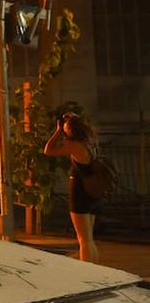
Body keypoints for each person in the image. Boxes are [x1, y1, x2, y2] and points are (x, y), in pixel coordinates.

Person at [44, 112, 100, 262]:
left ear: (71, 130)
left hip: (80, 191)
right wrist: (73, 119)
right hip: (92, 191)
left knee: (83, 239)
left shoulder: (73, 145)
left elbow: (48, 150)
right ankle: (95, 269)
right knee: (89, 237)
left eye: (66, 128)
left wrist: (57, 132)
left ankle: (88, 271)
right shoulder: (89, 141)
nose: (64, 131)